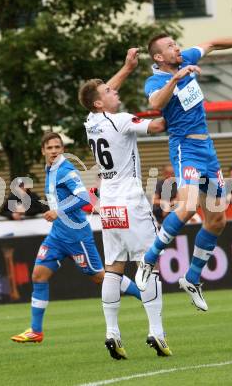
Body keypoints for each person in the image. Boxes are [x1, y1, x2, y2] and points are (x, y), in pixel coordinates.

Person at [135, 26, 232, 311]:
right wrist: (177, 78)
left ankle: (192, 278)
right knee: (187, 207)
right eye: (171, 46)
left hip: (208, 151)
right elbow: (154, 103)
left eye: (176, 44)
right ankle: (149, 259)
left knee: (217, 221)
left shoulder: (186, 58)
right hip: (185, 148)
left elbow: (212, 42)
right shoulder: (156, 80)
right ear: (159, 57)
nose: (177, 48)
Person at [79, 48, 171, 359]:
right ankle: (156, 332)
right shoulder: (119, 120)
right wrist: (174, 93)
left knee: (114, 268)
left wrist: (127, 67)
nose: (113, 90)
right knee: (149, 264)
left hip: (108, 204)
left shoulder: (91, 121)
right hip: (131, 198)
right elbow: (157, 126)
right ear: (99, 101)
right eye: (107, 91)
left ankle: (112, 333)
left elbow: (103, 93)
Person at [11, 132, 140, 343]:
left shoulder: (66, 170)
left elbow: (82, 197)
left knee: (100, 278)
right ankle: (36, 331)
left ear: (62, 149)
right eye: (50, 147)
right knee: (38, 276)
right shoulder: (50, 168)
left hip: (76, 236)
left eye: (57, 147)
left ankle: (145, 296)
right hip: (57, 236)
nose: (54, 151)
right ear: (43, 150)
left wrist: (58, 211)